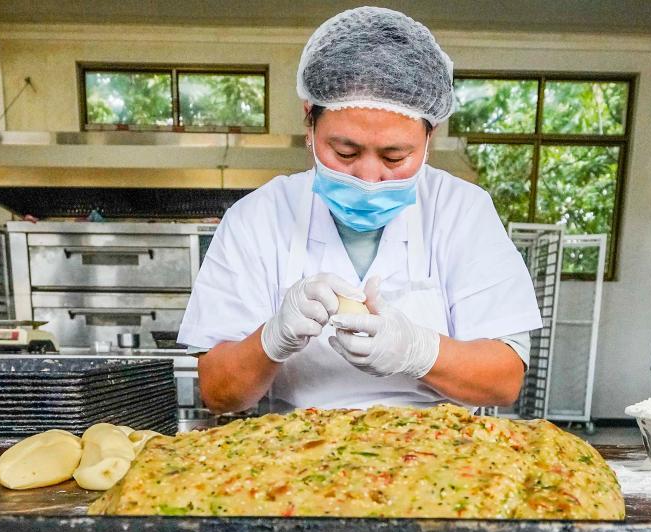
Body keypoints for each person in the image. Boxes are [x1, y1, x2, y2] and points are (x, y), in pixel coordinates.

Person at [179, 6, 542, 414]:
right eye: (345, 152)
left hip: (443, 445)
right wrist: (271, 340)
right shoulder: (257, 219)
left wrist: (420, 352)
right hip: (300, 445)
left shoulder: (462, 212)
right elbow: (218, 392)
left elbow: (505, 380)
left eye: (394, 156)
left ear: (431, 136)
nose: (369, 178)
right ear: (309, 120)